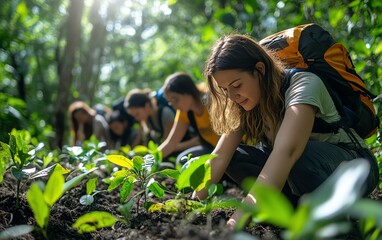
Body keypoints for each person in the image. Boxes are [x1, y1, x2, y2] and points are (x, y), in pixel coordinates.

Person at [193, 34, 379, 228]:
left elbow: (287, 152)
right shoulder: (244, 102)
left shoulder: (304, 84)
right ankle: (292, 212)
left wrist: (236, 222)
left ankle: (329, 218)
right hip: (304, 173)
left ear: (260, 69)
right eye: (224, 90)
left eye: (236, 85)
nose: (231, 96)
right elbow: (220, 156)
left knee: (299, 156)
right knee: (235, 156)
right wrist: (191, 205)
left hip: (356, 169)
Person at [158, 72, 221, 165]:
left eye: (176, 99)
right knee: (182, 160)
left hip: (232, 148)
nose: (174, 105)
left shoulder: (213, 101)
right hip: (211, 148)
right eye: (170, 102)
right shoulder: (184, 112)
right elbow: (171, 142)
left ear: (188, 92)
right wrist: (148, 161)